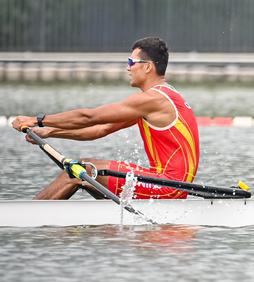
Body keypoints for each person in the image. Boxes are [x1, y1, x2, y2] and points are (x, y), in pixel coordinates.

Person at [10, 37, 200, 199]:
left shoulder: (154, 99)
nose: (128, 68)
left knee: (78, 171)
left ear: (148, 67)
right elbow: (100, 130)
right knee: (87, 179)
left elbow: (89, 117)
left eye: (131, 62)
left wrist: (37, 120)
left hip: (169, 186)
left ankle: (25, 217)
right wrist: (51, 131)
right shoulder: (161, 97)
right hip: (169, 183)